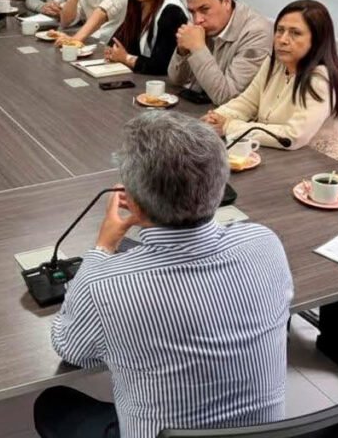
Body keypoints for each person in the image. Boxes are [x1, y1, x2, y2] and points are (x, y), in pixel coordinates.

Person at [34, 111, 293, 438]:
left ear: (133, 203)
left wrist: (102, 247)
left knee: (53, 404)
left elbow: (69, 347)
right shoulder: (264, 243)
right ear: (219, 185)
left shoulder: (106, 283)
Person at [203, 0, 338, 168]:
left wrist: (228, 126)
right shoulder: (275, 63)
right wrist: (217, 117)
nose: (283, 39)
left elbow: (292, 136)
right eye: (280, 30)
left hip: (326, 173)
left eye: (295, 33)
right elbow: (247, 102)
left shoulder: (321, 80)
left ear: (317, 40)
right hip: (285, 160)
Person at [168, 0, 273, 105]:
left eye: (204, 9)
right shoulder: (201, 23)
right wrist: (182, 52)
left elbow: (227, 97)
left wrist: (198, 48)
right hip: (198, 106)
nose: (197, 19)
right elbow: (175, 80)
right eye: (192, 12)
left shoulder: (257, 33)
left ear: (227, 2)